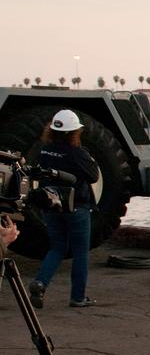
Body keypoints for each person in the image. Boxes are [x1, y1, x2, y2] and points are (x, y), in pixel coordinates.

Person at [28, 109, 100, 310]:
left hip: (51, 207)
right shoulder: (77, 153)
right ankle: (78, 297)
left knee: (57, 248)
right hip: (77, 208)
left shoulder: (44, 151)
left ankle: (41, 282)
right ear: (74, 132)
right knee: (80, 253)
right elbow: (94, 176)